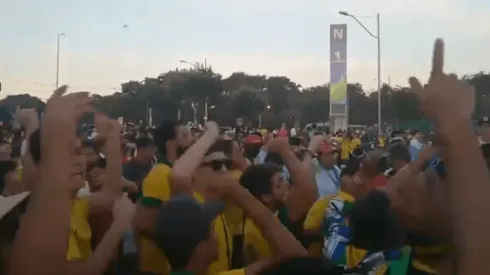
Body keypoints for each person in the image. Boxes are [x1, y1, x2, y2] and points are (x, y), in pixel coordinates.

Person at [133, 121, 192, 275]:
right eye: (185, 136)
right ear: (171, 144)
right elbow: (144, 225)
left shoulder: (179, 172)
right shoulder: (160, 175)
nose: (192, 140)